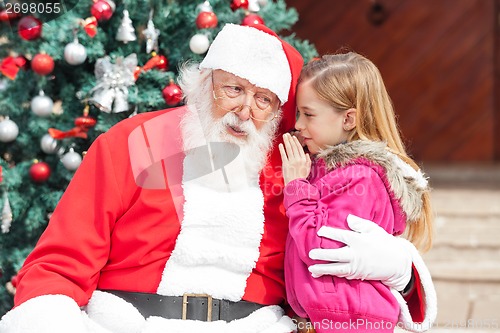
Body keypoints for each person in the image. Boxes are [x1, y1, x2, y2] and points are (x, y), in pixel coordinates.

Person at [0, 24, 434, 333]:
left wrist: (404, 272)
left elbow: (344, 272)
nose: (245, 111)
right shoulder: (134, 142)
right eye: (233, 90)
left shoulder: (298, 166)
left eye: (263, 99)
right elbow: (59, 264)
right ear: (205, 84)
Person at [279, 52, 437, 333]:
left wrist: (296, 188)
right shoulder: (331, 171)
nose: (299, 125)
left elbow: (322, 250)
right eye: (298, 114)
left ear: (348, 119)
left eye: (309, 114)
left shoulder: (356, 177)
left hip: (348, 321)